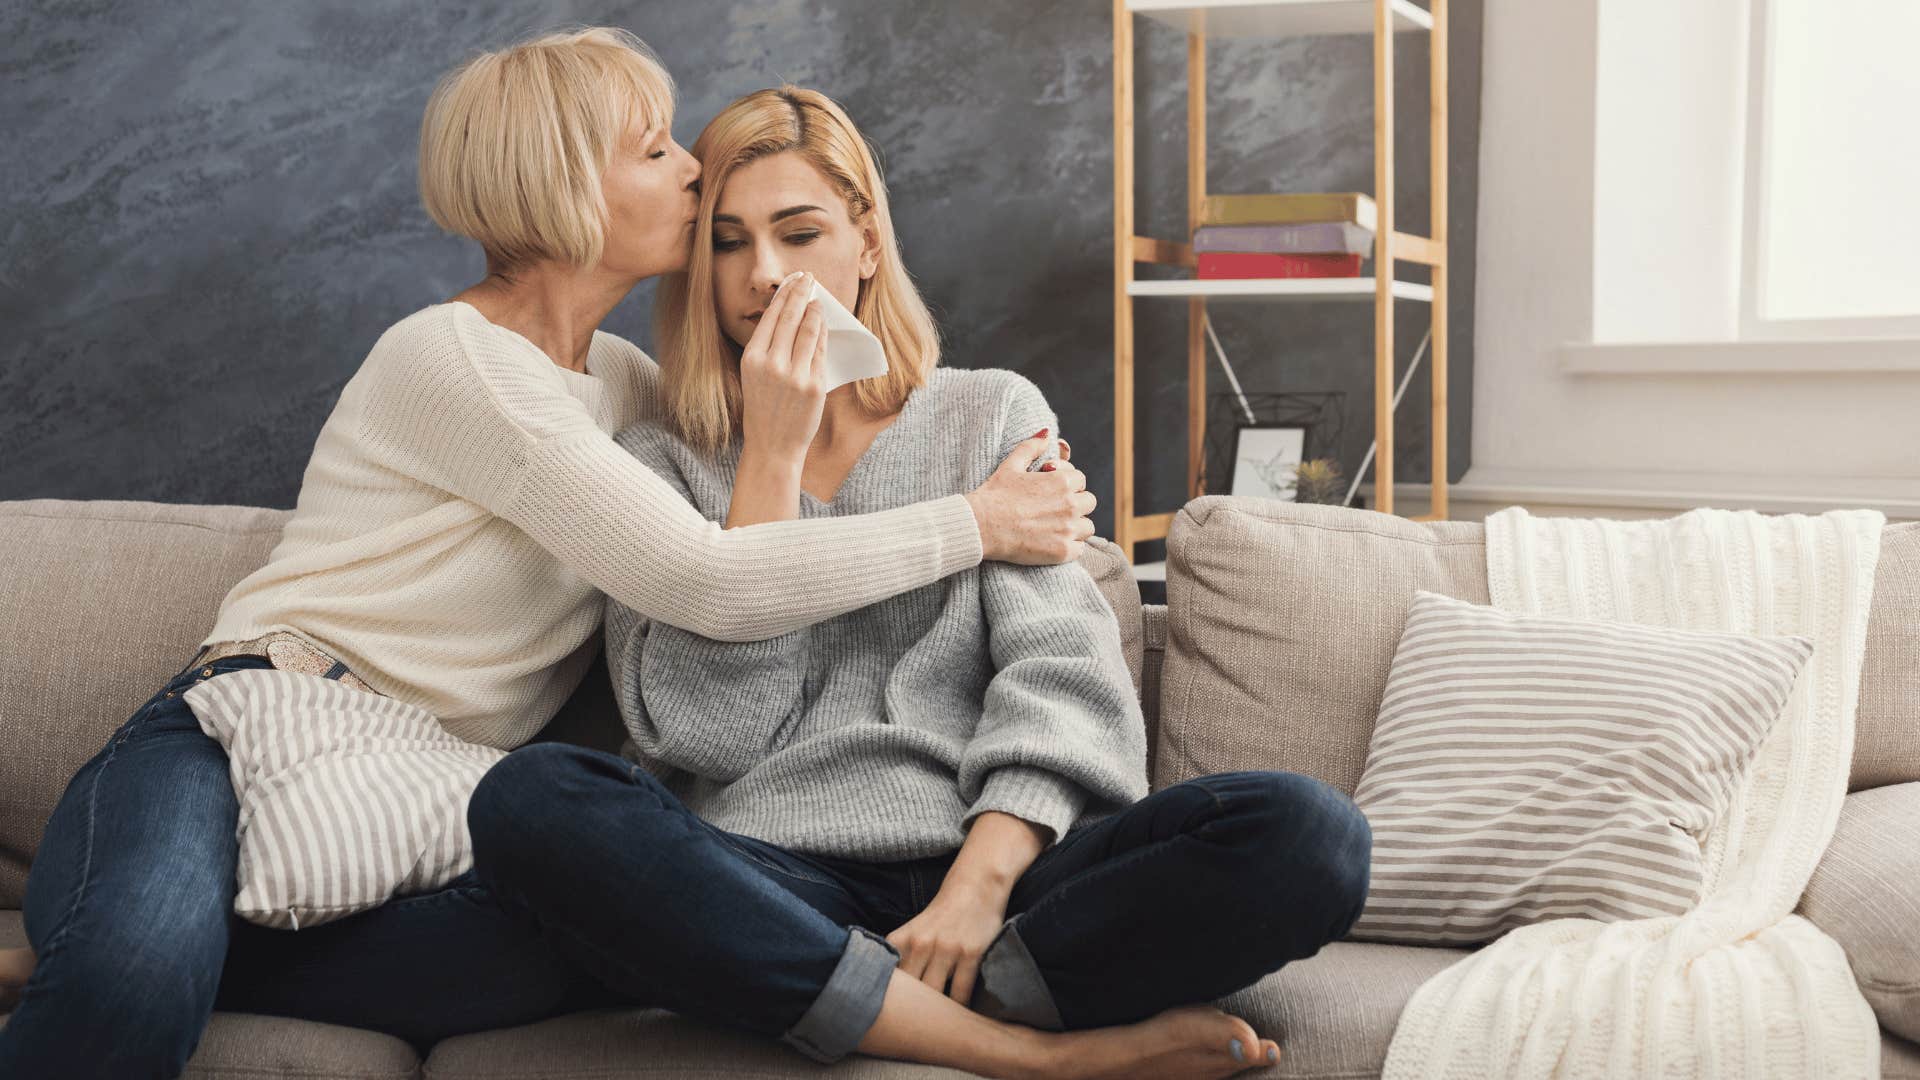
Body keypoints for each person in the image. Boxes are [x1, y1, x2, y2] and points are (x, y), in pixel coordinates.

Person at [0, 30, 1096, 1080]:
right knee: (131, 984)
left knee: (584, 947)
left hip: (429, 804)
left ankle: (137, 955)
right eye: (657, 148)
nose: (692, 171)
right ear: (562, 183)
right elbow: (709, 579)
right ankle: (127, 956)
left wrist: (1020, 491)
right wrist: (981, 522)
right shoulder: (456, 360)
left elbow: (761, 500)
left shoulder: (627, 388)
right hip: (242, 734)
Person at [464, 86, 1373, 1080]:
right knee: (536, 800)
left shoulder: (986, 415)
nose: (763, 275)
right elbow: (711, 735)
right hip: (771, 881)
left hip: (1005, 883)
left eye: (797, 232)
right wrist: (770, 453)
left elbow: (1063, 673)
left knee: (1308, 835)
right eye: (727, 242)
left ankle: (886, 997)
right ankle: (1020, 1048)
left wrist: (977, 893)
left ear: (865, 241)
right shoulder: (654, 462)